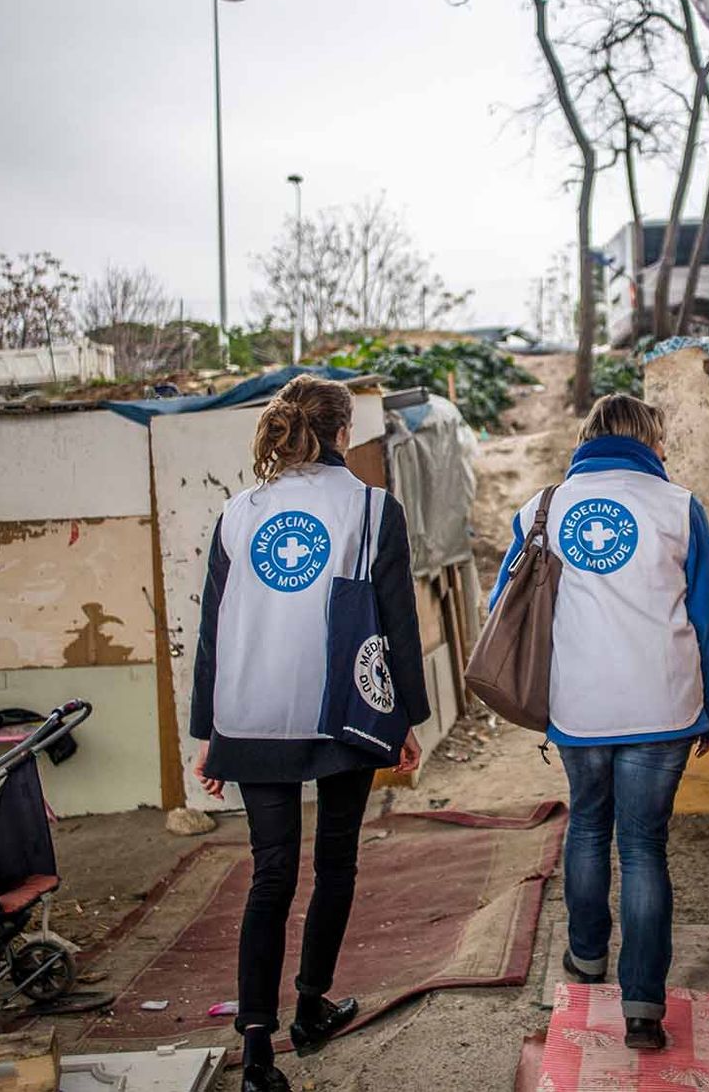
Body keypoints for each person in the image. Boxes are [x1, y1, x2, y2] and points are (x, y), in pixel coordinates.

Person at [188, 375, 430, 1092]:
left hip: (251, 713)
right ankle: (312, 1005)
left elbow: (213, 633)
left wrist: (210, 732)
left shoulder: (238, 513)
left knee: (270, 875)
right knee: (335, 865)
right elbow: (397, 625)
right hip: (341, 714)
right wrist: (406, 717)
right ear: (341, 432)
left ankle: (258, 1046)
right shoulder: (371, 509)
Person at [490, 393, 709, 1051]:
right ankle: (644, 1007)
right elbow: (706, 619)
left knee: (589, 823)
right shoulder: (679, 507)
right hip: (664, 705)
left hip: (579, 705)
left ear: (588, 438)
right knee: (645, 844)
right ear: (650, 439)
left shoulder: (542, 508)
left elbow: (503, 603)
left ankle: (586, 959)